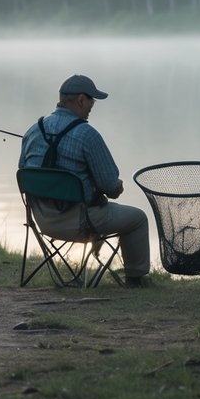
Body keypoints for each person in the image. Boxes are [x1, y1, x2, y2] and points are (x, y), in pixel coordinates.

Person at [19, 74, 151, 287]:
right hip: (82, 223)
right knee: (137, 218)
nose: (92, 106)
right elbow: (111, 187)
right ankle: (135, 279)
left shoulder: (33, 130)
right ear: (81, 100)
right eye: (91, 101)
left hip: (43, 222)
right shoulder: (87, 135)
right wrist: (117, 186)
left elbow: (23, 172)